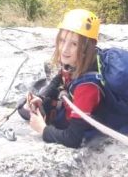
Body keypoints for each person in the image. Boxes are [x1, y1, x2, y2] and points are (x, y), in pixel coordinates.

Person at [21, 8, 104, 148]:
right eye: (62, 40)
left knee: (24, 109)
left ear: (87, 48)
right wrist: (42, 97)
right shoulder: (79, 62)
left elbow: (73, 140)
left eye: (74, 44)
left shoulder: (87, 87)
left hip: (77, 121)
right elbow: (61, 77)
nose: (64, 49)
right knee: (24, 106)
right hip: (69, 107)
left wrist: (42, 129)